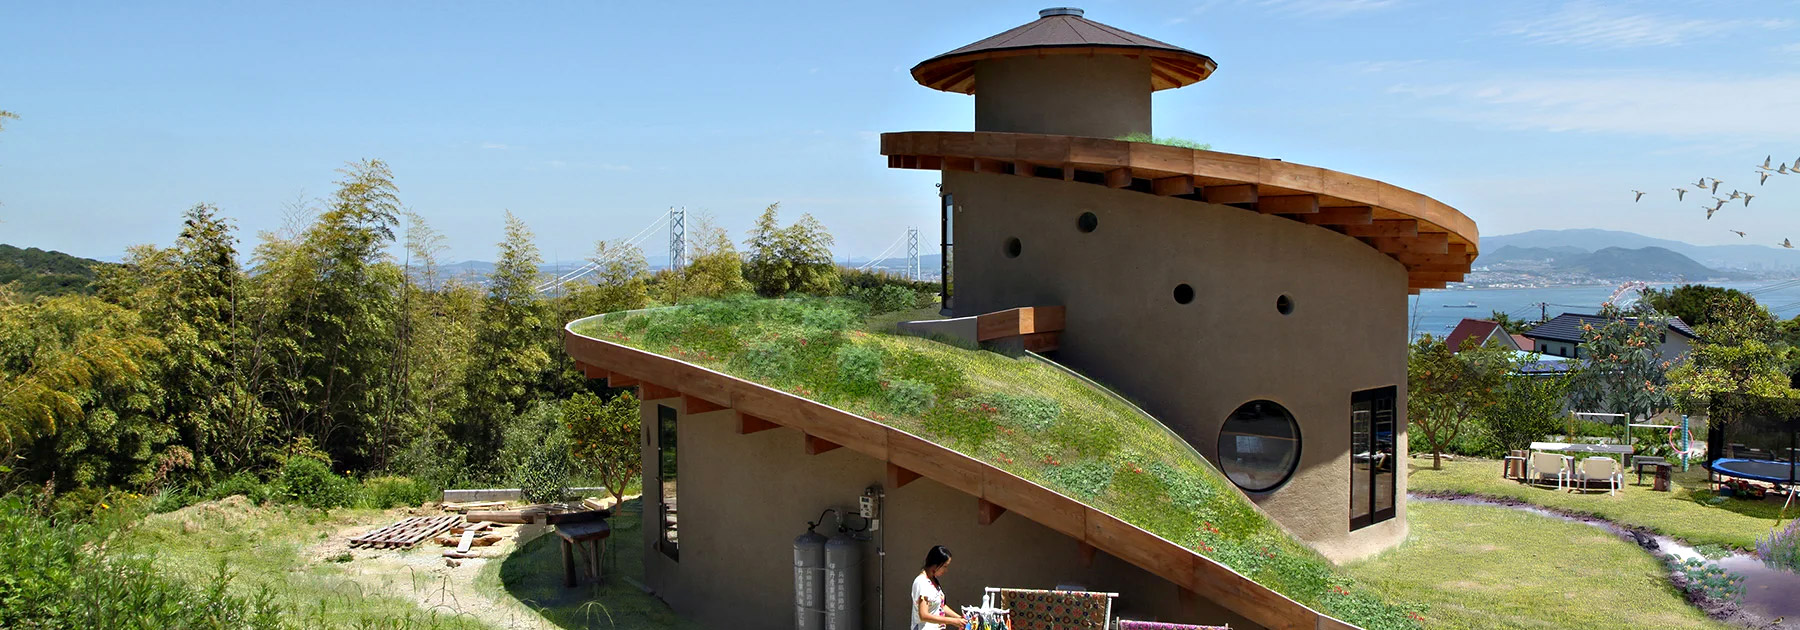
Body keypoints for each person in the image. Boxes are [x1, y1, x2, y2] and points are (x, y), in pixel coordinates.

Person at [912, 545, 966, 630]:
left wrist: (960, 619)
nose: (946, 570)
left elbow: (941, 606)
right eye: (944, 566)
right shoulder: (922, 582)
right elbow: (923, 615)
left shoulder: (933, 581)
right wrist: (953, 621)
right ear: (935, 564)